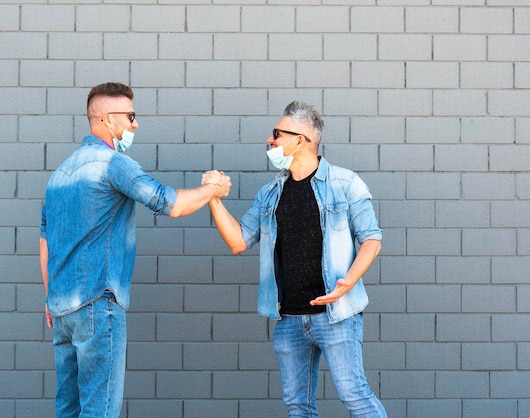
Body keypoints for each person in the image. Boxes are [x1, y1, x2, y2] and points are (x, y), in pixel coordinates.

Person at [39, 82, 230, 418]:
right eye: (130, 116)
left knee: (68, 410)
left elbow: (45, 242)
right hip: (98, 304)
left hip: (62, 309)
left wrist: (50, 299)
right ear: (106, 120)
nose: (134, 124)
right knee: (99, 411)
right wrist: (211, 188)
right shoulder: (114, 164)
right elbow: (169, 204)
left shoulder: (59, 175)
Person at [204, 101, 387, 417]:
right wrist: (212, 198)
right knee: (298, 406)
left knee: (356, 397)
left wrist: (349, 282)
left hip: (337, 314)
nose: (270, 141)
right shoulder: (270, 194)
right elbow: (237, 241)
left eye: (276, 134)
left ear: (301, 139)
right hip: (288, 318)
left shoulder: (345, 183)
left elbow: (372, 238)